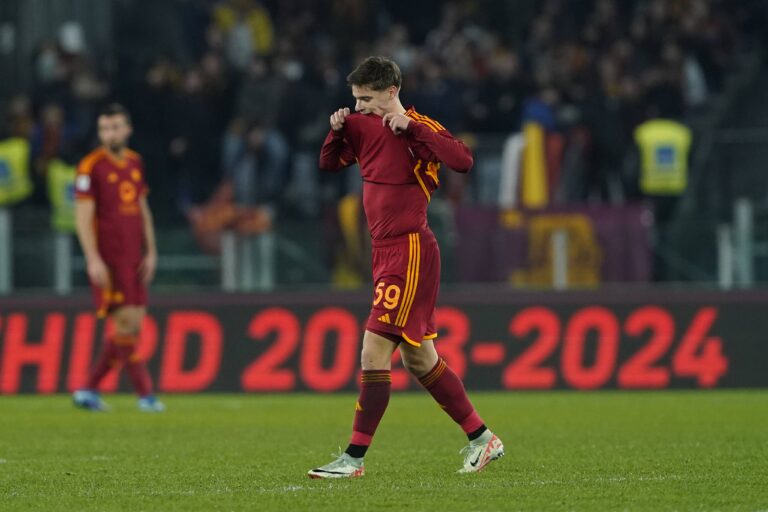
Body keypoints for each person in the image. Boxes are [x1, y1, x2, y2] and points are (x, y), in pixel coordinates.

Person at [308, 57, 503, 478]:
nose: (361, 107)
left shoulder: (419, 127)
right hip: (384, 251)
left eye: (368, 99)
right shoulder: (360, 123)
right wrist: (336, 128)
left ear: (392, 91)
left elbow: (463, 161)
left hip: (410, 249)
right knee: (418, 359)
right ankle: (483, 439)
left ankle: (354, 458)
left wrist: (410, 129)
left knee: (373, 349)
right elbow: (329, 164)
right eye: (355, 99)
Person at [71, 104, 165, 412]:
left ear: (127, 130)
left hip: (134, 255)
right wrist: (92, 258)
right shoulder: (90, 166)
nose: (109, 133)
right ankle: (145, 395)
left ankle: (87, 389)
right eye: (104, 128)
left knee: (133, 327)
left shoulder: (135, 162)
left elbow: (142, 209)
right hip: (109, 258)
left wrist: (151, 251)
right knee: (125, 323)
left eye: (115, 127)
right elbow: (83, 217)